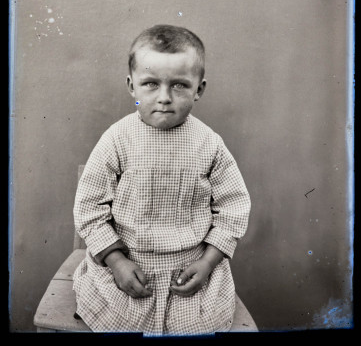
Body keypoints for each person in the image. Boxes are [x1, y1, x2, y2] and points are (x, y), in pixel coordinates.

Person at [73, 24, 251, 336]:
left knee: (200, 325)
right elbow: (89, 209)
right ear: (132, 86)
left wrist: (208, 263)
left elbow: (233, 209)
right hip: (127, 268)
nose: (165, 98)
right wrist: (116, 262)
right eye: (151, 84)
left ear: (199, 89)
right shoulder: (117, 140)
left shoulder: (210, 144)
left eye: (180, 85)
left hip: (191, 272)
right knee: (116, 320)